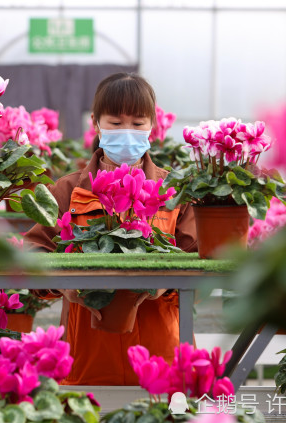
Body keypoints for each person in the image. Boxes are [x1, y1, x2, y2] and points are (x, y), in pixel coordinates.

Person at [23, 72, 197, 385]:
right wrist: (64, 286)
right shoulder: (69, 190)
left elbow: (199, 257)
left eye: (138, 122)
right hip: (86, 353)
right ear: (96, 123)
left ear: (152, 126)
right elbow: (35, 251)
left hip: (161, 353)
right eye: (116, 124)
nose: (127, 132)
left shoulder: (173, 191)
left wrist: (166, 285)